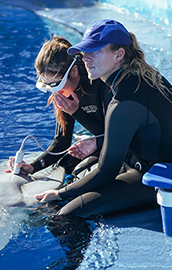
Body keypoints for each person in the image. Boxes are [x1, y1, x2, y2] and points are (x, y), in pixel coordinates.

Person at [35, 19, 172, 217]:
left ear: (119, 54)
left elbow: (106, 172)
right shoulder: (136, 76)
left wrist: (60, 193)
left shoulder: (122, 101)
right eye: (85, 52)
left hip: (157, 177)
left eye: (95, 51)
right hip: (142, 161)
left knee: (66, 215)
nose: (86, 58)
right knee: (79, 173)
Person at [7, 35, 112, 176]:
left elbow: (117, 134)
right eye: (48, 86)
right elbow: (62, 141)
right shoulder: (63, 92)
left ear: (74, 71)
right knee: (62, 167)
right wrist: (33, 167)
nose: (55, 91)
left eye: (57, 84)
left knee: (82, 171)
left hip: (121, 140)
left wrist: (76, 112)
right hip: (99, 138)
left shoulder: (100, 84)